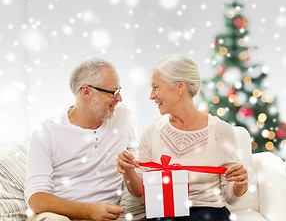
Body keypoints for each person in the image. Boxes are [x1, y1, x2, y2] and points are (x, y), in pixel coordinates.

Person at [117, 55, 248, 221]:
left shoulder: (220, 131)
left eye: (156, 87)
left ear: (180, 87)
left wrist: (239, 185)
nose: (151, 96)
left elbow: (230, 198)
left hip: (209, 213)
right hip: (166, 212)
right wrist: (128, 170)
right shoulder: (152, 132)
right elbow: (140, 192)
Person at [25, 58, 136, 221]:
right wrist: (90, 211)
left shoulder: (122, 116)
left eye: (118, 90)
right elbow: (36, 199)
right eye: (112, 92)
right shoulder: (46, 132)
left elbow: (137, 158)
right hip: (58, 216)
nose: (119, 98)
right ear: (86, 92)